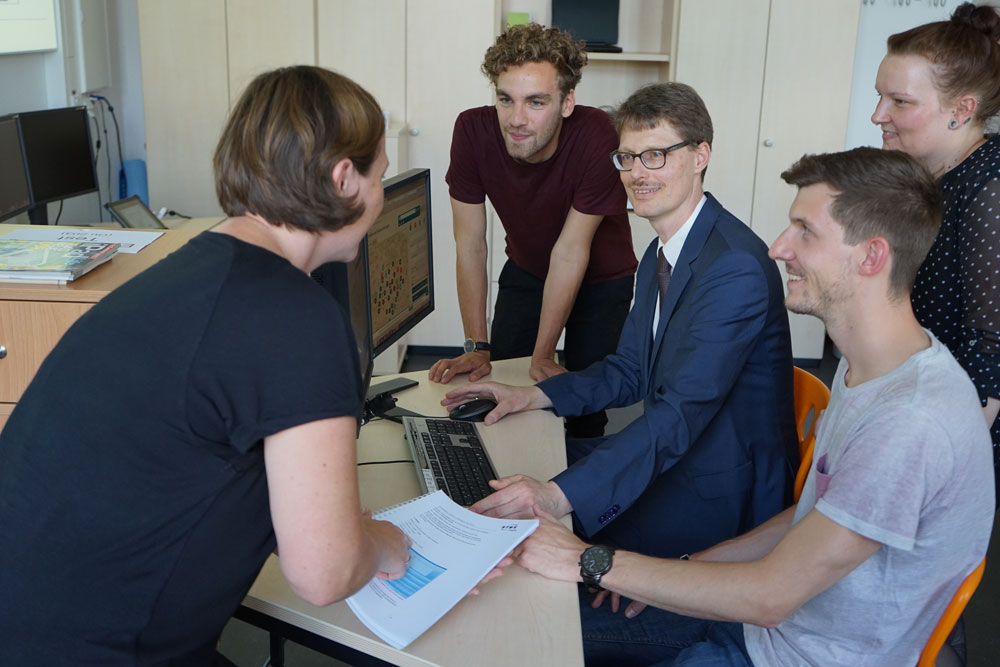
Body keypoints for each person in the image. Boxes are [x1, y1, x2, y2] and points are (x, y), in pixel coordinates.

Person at [515, 148, 995, 666]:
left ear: (871, 256)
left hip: (788, 650)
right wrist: (686, 566)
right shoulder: (871, 374)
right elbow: (810, 515)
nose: (778, 247)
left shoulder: (909, 421)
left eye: (804, 231)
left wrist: (592, 561)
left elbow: (769, 598)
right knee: (531, 611)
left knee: (533, 629)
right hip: (766, 626)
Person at [0, 66, 412, 666]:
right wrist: (376, 546)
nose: (381, 192)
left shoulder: (187, 272)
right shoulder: (296, 318)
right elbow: (326, 575)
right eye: (380, 173)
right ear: (344, 179)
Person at [442, 82, 797, 566]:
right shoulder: (662, 250)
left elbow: (678, 417)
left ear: (700, 156)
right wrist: (532, 396)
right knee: (513, 473)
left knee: (534, 535)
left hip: (721, 490)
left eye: (655, 155)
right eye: (627, 158)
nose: (636, 173)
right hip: (682, 452)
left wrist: (557, 496)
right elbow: (630, 369)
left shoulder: (733, 268)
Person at [429, 23, 637, 438]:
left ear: (566, 102)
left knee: (580, 404)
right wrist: (476, 345)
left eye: (536, 102)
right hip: (527, 268)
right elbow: (470, 244)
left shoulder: (599, 135)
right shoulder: (472, 131)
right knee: (502, 383)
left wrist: (544, 353)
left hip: (602, 280)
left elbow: (571, 251)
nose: (517, 120)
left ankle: (574, 498)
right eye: (506, 99)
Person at [872, 2, 1000, 499]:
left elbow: (992, 356)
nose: (877, 115)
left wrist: (926, 467)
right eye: (880, 97)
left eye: (899, 102)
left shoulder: (989, 185)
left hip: (952, 427)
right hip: (917, 401)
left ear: (962, 109)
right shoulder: (930, 174)